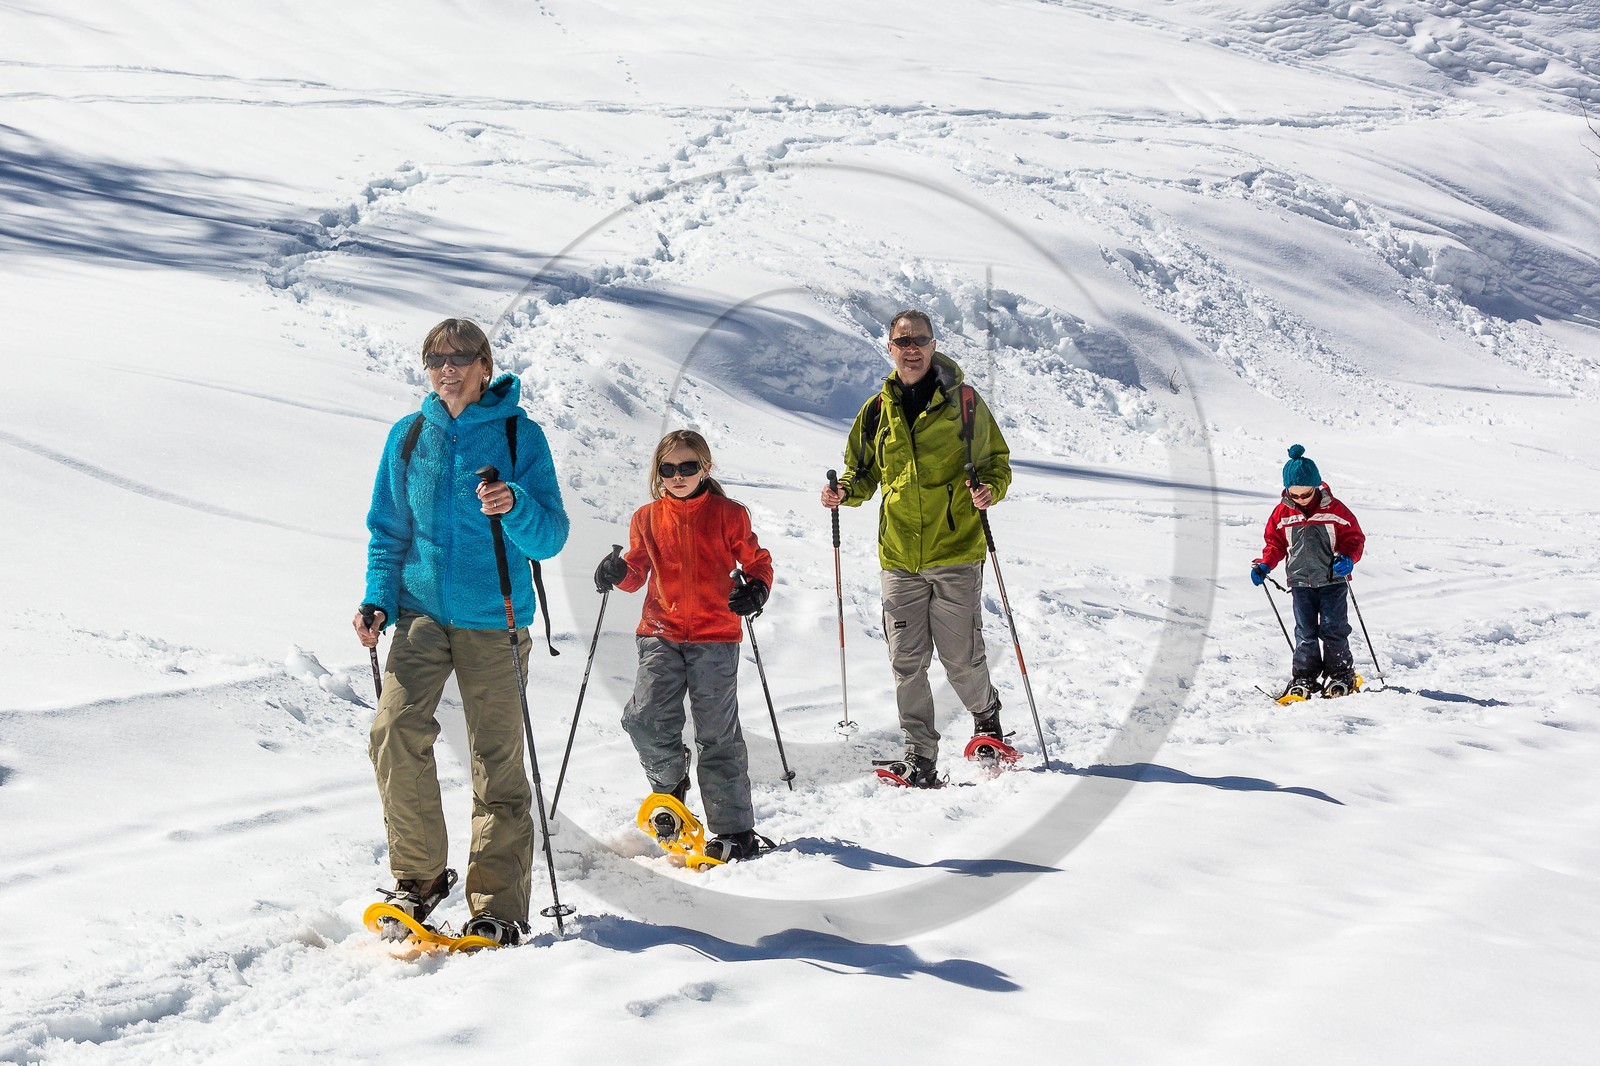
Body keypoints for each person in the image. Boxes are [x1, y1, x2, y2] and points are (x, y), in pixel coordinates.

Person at [354, 318, 569, 946]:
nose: (447, 369)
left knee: (495, 762)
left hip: (494, 617)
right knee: (393, 730)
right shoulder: (409, 435)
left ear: (484, 365)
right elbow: (388, 531)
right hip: (420, 613)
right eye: (435, 359)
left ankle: (497, 905)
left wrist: (516, 506)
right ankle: (418, 880)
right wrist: (377, 600)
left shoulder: (517, 434)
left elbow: (550, 536)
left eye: (460, 357)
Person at [820, 309, 1012, 787]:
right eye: (902, 340)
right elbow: (862, 472)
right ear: (890, 347)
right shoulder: (875, 411)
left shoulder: (964, 403)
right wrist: (844, 491)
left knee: (961, 657)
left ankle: (987, 719)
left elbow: (996, 463)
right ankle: (919, 755)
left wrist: (989, 488)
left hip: (955, 549)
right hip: (899, 556)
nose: (911, 348)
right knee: (907, 662)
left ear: (932, 344)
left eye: (920, 339)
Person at [594, 429, 774, 862]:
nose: (678, 476)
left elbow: (756, 561)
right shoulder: (647, 517)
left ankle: (735, 831)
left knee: (716, 732)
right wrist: (615, 572)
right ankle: (671, 794)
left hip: (715, 635)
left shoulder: (729, 514)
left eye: (687, 467)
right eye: (668, 469)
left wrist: (756, 589)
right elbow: (636, 573)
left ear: (705, 469)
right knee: (644, 719)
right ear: (658, 473)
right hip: (660, 630)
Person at [1250, 444, 1366, 699]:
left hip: (1332, 581)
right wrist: (1265, 564)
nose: (1301, 500)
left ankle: (1340, 674)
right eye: (1295, 495)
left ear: (1315, 486)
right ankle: (1305, 677)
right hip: (1300, 582)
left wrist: (1348, 558)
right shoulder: (1282, 512)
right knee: (1305, 632)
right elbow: (1275, 543)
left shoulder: (1335, 509)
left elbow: (1355, 538)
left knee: (1333, 628)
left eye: (1305, 494)